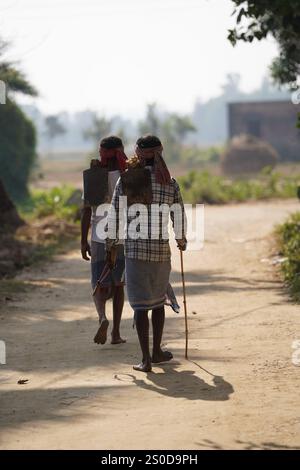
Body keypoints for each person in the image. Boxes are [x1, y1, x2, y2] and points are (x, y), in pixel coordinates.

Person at [107, 135, 187, 372]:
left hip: (135, 251)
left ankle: (146, 359)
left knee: (141, 305)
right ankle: (156, 351)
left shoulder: (127, 181)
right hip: (161, 251)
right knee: (158, 300)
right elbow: (179, 215)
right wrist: (181, 240)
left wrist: (111, 245)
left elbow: (115, 215)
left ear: (139, 155)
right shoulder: (170, 182)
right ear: (160, 153)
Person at [81, 135, 127, 345]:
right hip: (124, 236)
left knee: (98, 284)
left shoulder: (93, 176)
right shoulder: (128, 175)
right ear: (120, 152)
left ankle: (102, 317)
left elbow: (86, 211)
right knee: (118, 285)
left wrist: (83, 240)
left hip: (99, 237)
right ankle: (116, 333)